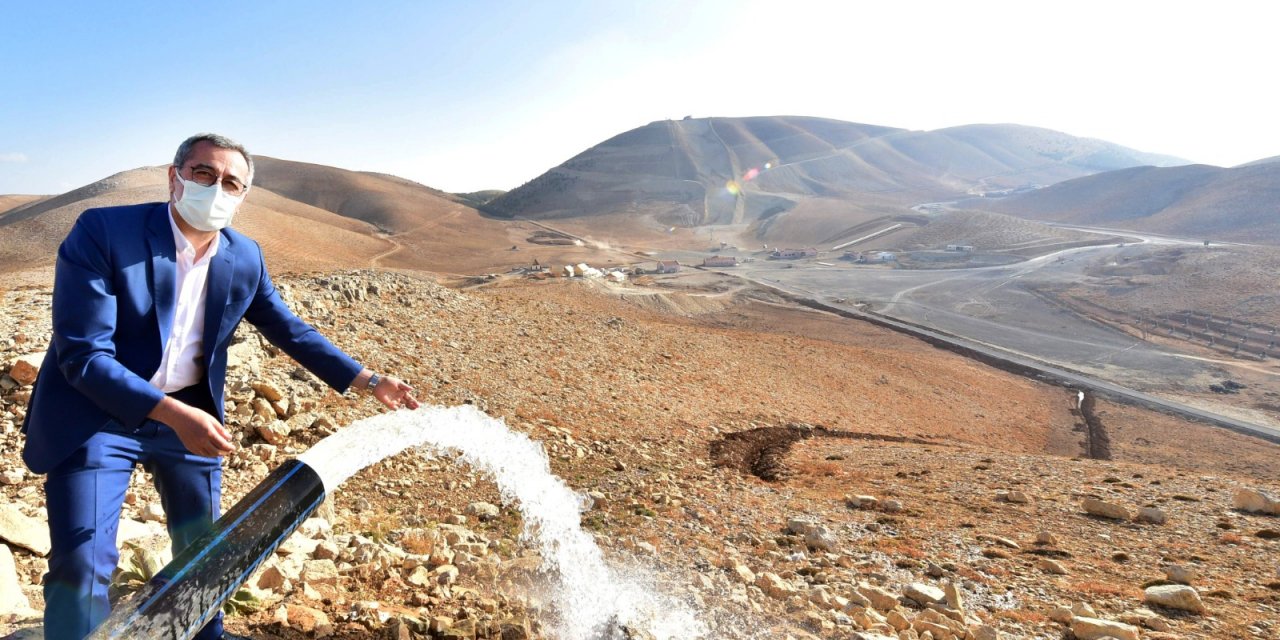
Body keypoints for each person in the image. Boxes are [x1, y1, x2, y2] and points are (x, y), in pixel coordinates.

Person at [21, 133, 420, 640]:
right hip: (98, 415)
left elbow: (288, 328)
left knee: (204, 553)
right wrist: (170, 413)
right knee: (82, 561)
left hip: (189, 415)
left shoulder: (244, 256)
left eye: (231, 182)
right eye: (204, 174)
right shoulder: (104, 232)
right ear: (175, 176)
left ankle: (204, 635)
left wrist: (369, 379)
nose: (216, 188)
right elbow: (83, 355)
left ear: (243, 195)